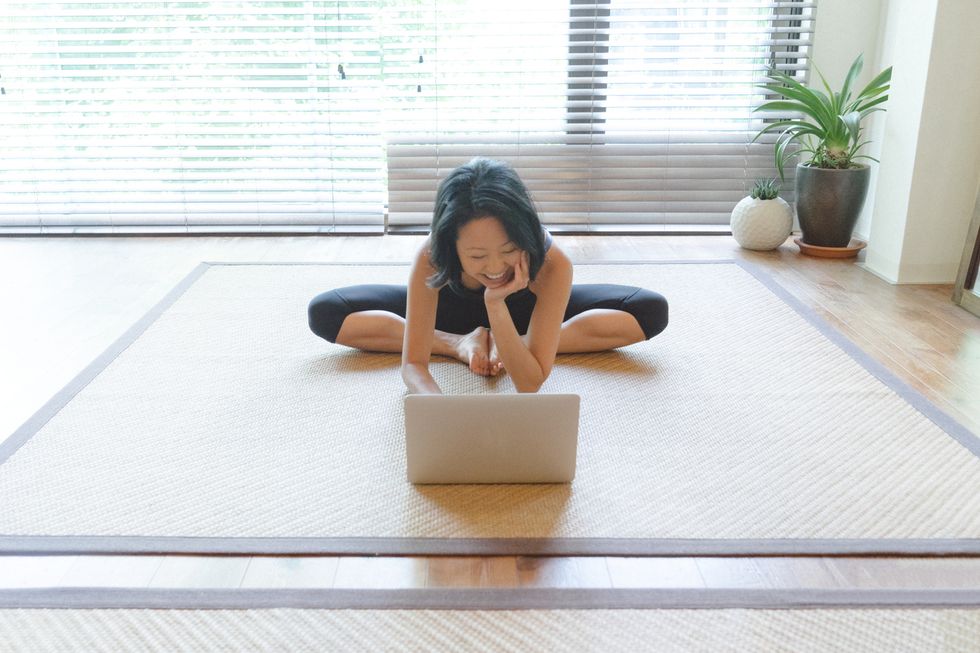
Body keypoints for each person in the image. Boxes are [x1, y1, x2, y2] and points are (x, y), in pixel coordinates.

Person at [308, 158, 668, 394]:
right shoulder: (433, 256)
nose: (495, 267)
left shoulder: (553, 263)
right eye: (477, 256)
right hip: (448, 314)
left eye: (509, 250)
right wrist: (435, 404)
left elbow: (529, 383)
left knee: (650, 310)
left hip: (527, 311)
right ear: (452, 247)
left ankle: (527, 340)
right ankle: (456, 343)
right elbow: (413, 365)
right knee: (326, 312)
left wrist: (499, 312)